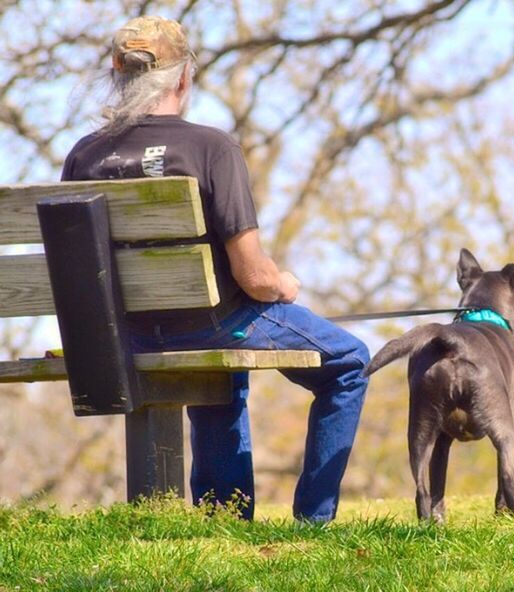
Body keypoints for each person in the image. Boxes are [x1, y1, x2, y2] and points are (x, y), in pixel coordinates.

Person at [61, 15, 370, 522]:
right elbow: (252, 277)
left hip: (127, 334)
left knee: (217, 363)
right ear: (183, 77)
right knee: (350, 362)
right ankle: (314, 519)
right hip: (212, 322)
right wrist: (281, 283)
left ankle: (224, 518)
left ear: (117, 74)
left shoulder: (84, 155)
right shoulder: (210, 147)